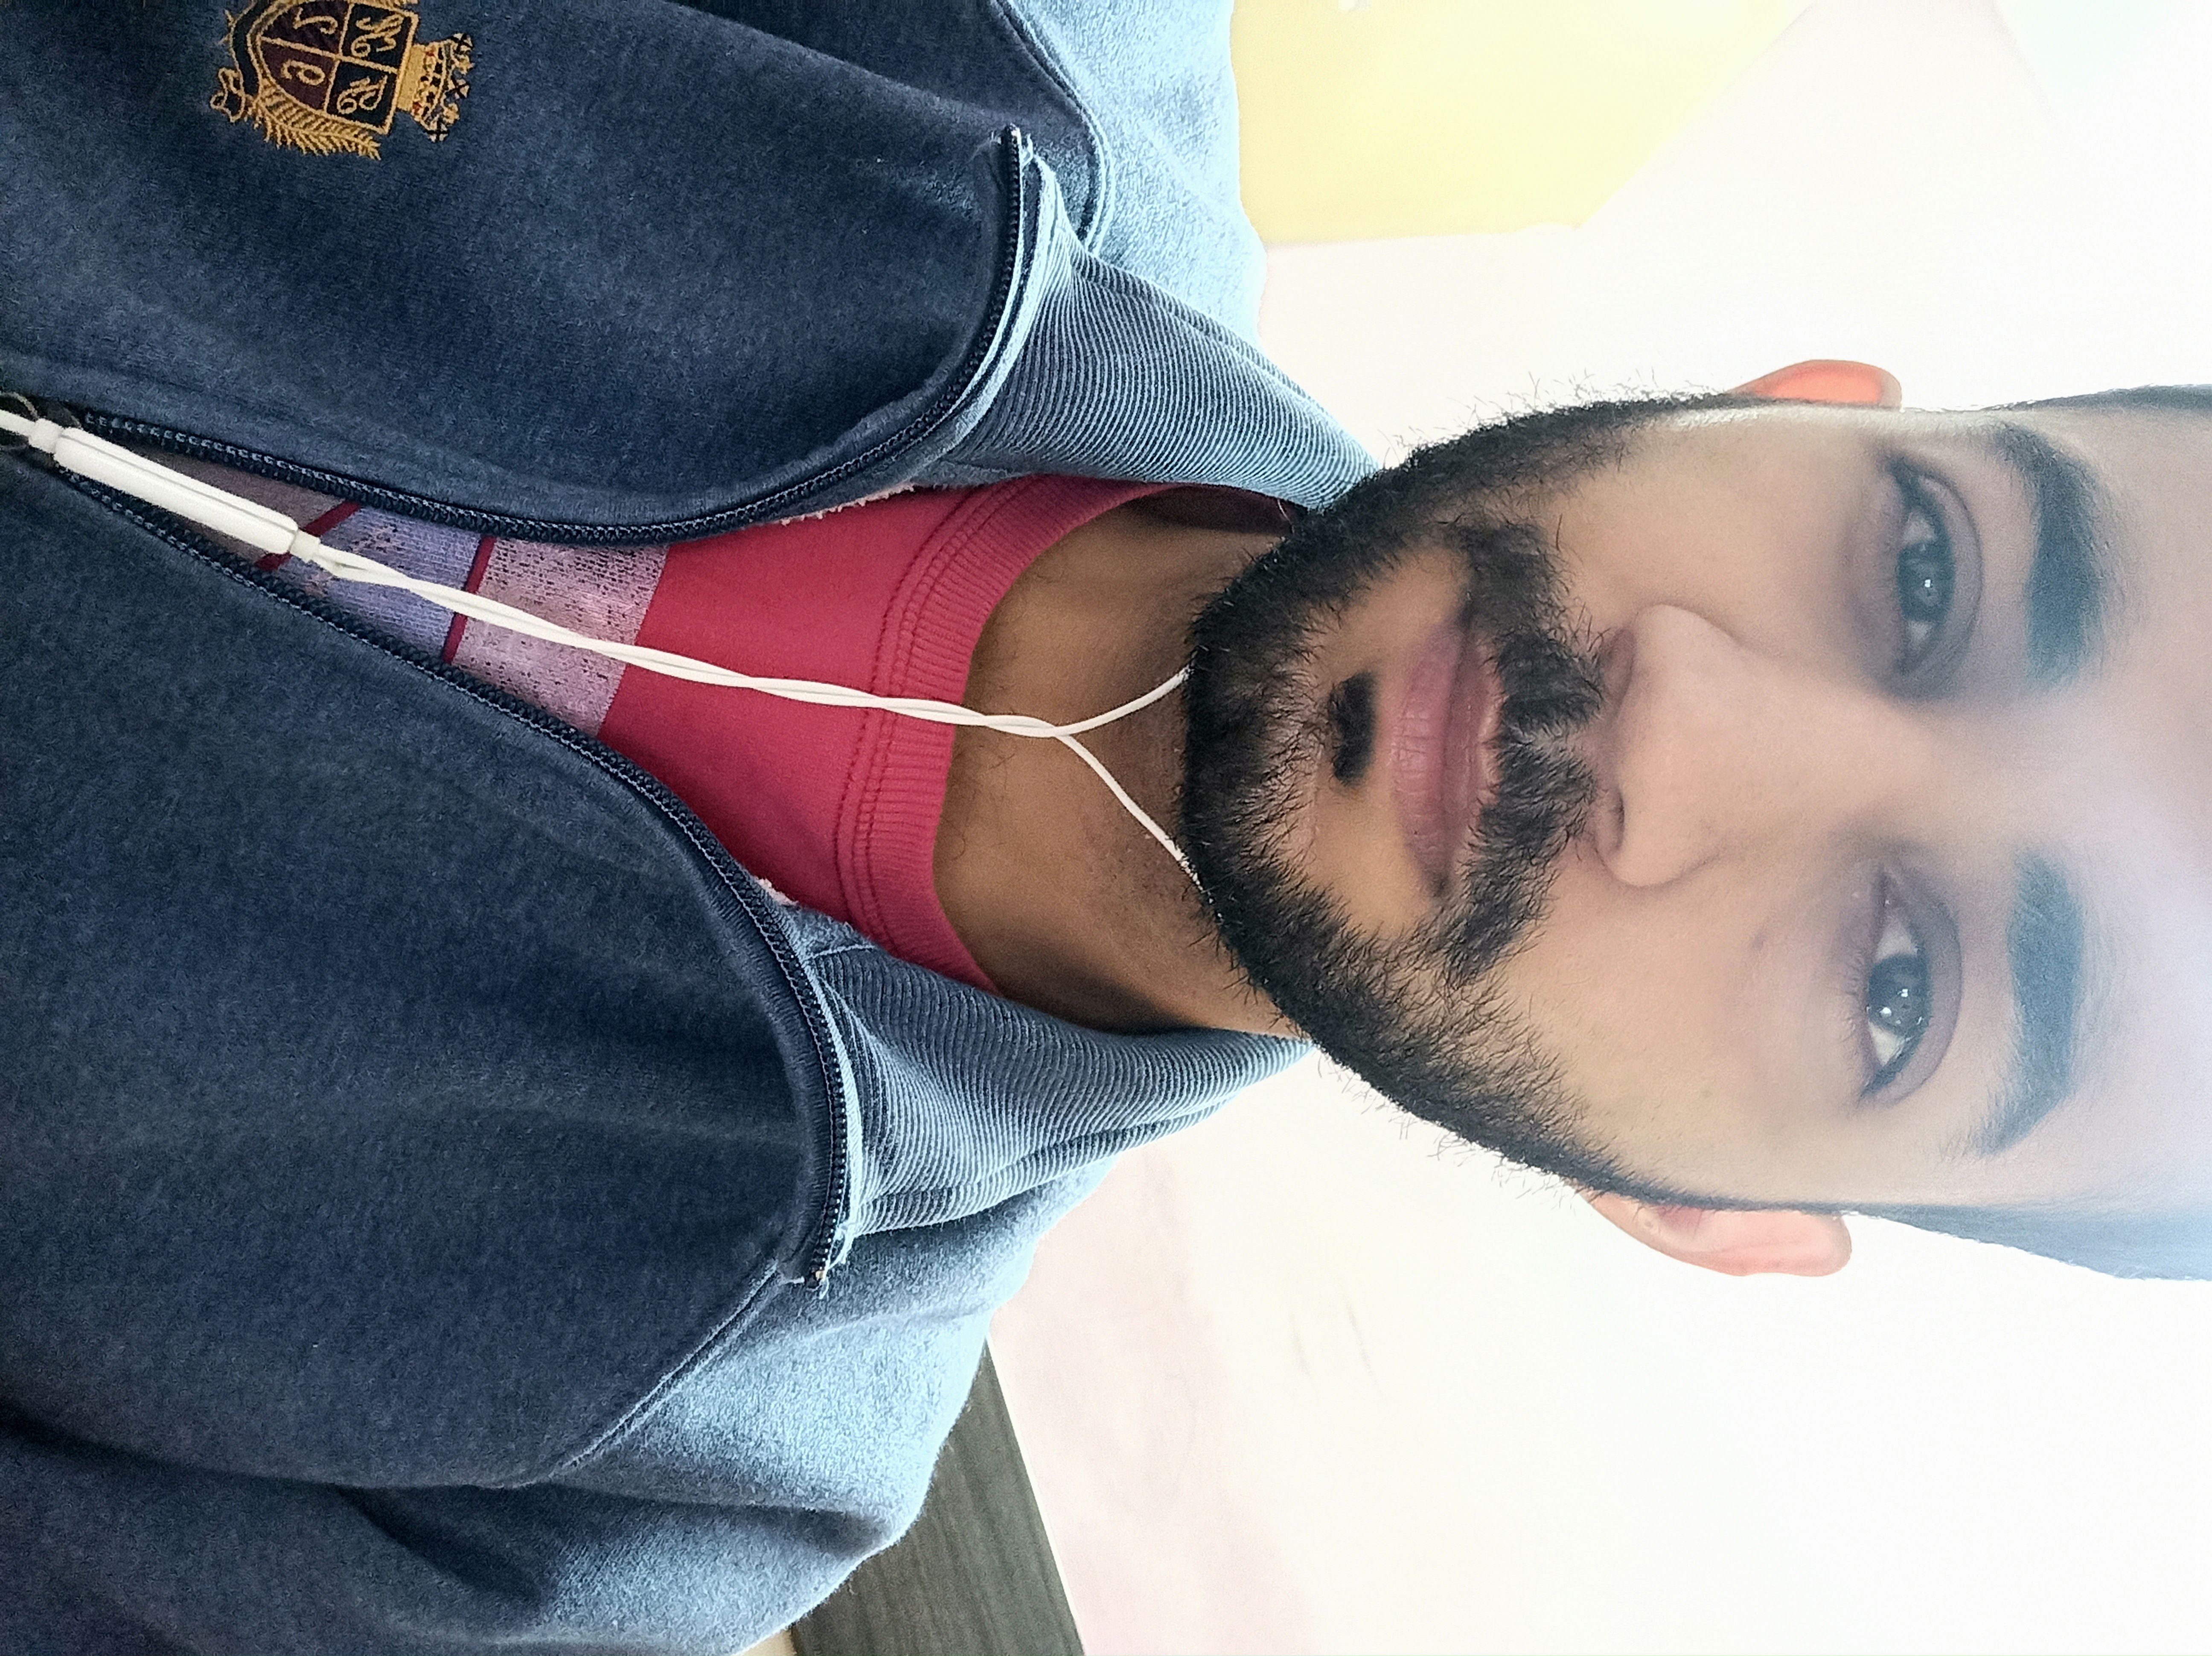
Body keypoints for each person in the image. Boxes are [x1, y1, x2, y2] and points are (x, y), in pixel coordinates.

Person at [3, 3, 2207, 1652]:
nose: (1693, 727)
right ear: (1793, 414)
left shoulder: (605, 1501)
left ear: (1704, 1204)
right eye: (1927, 571)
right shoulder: (985, 37)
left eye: (1900, 985)